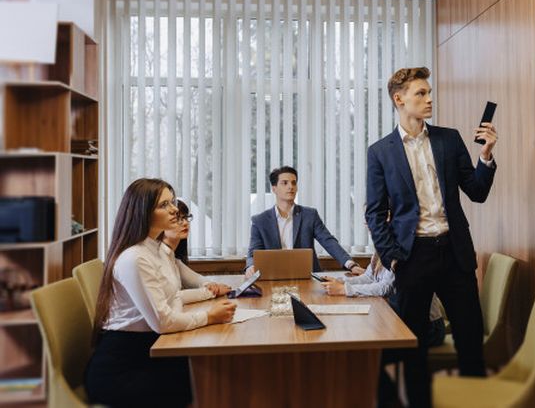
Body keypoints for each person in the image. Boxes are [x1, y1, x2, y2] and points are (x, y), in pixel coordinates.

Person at [366, 67, 497, 407]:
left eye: (429, 92)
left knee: (470, 343)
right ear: (399, 99)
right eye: (420, 93)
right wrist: (394, 258)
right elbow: (375, 212)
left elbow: (477, 192)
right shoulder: (380, 152)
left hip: (455, 253)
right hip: (413, 258)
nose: (429, 99)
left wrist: (485, 156)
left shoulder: (449, 139)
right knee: (414, 351)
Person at [85, 178, 236, 407]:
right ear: (143, 212)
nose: (175, 210)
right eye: (164, 205)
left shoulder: (156, 251)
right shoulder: (135, 258)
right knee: (208, 377)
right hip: (122, 368)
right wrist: (209, 317)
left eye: (171, 202)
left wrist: (207, 301)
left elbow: (173, 298)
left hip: (149, 349)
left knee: (214, 369)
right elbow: (163, 322)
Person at [322, 253, 446, 408]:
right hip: (403, 320)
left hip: (428, 327)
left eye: (371, 226)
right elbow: (369, 277)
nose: (369, 228)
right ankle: (387, 397)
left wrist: (345, 289)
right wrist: (340, 282)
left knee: (369, 352)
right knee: (365, 350)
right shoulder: (381, 248)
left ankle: (387, 399)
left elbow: (385, 288)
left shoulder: (401, 249)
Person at [245, 166, 365, 277]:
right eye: (284, 183)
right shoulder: (259, 221)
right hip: (273, 276)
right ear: (274, 189)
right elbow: (253, 253)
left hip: (308, 277)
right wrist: (251, 266)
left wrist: (350, 264)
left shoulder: (310, 215)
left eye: (293, 183)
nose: (290, 187)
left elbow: (328, 241)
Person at [161, 198, 232, 302]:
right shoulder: (157, 255)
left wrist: (210, 285)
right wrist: (210, 292)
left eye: (185, 217)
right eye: (178, 219)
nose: (185, 223)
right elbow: (171, 298)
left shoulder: (171, 256)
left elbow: (195, 279)